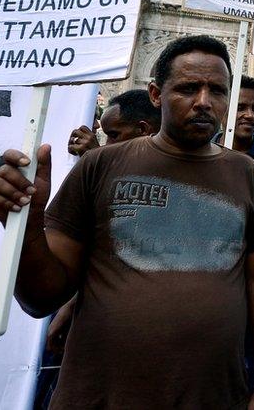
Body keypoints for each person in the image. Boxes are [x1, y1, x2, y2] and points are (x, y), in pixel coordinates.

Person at [0, 35, 254, 409]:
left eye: (217, 91)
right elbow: (42, 298)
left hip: (212, 394)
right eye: (188, 88)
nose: (204, 102)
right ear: (155, 94)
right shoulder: (101, 165)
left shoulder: (244, 173)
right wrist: (26, 226)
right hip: (102, 394)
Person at [39, 89, 163, 408]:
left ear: (143, 130)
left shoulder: (168, 181)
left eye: (113, 135)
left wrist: (97, 158)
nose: (107, 144)